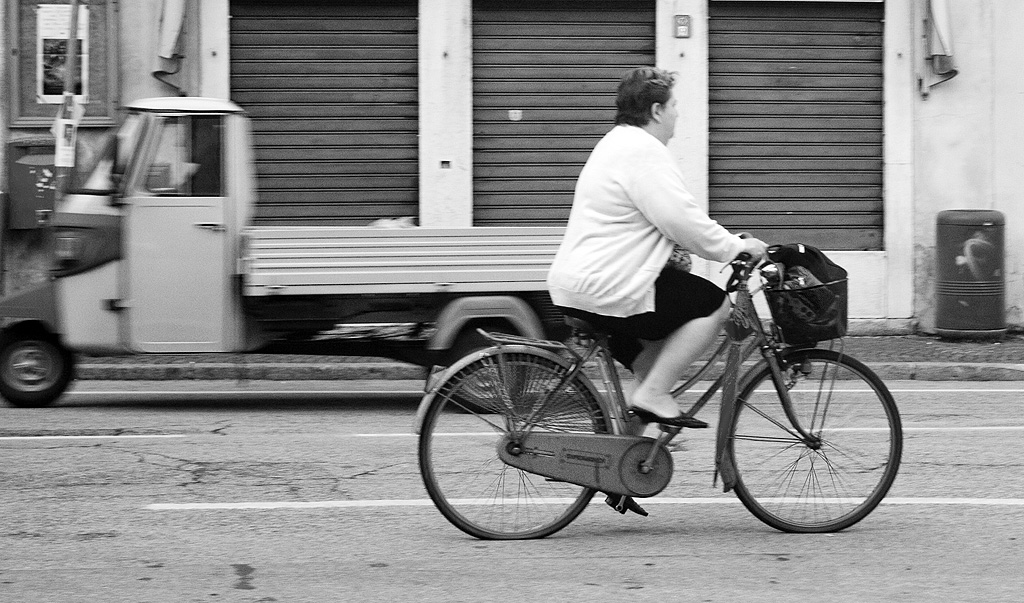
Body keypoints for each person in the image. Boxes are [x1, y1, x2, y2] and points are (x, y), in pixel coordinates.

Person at [548, 66, 767, 429]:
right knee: (715, 306)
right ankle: (652, 397)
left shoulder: (617, 143)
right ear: (656, 111)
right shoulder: (642, 151)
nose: (678, 113)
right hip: (610, 284)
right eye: (674, 105)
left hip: (584, 283)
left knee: (653, 363)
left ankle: (629, 458)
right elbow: (680, 220)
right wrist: (734, 248)